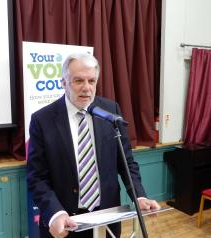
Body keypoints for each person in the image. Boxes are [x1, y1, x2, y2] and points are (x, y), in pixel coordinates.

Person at [27, 53, 160, 238]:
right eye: (78, 81)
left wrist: (139, 196)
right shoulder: (42, 120)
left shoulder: (110, 111)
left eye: (91, 81)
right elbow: (36, 177)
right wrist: (56, 213)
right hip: (65, 222)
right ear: (64, 83)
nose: (87, 88)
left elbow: (126, 162)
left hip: (107, 218)